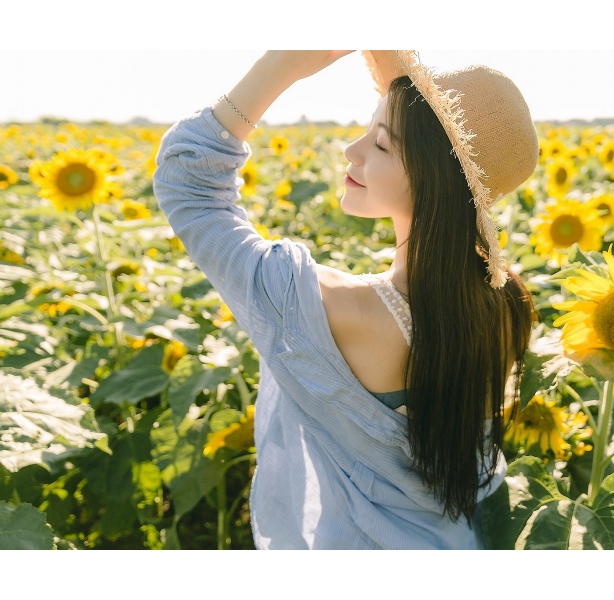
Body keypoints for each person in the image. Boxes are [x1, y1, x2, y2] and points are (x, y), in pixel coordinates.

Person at [153, 50, 539, 549]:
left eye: (380, 144)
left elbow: (189, 180)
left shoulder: (320, 307)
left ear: (433, 180)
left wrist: (282, 65)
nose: (350, 151)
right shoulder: (504, 304)